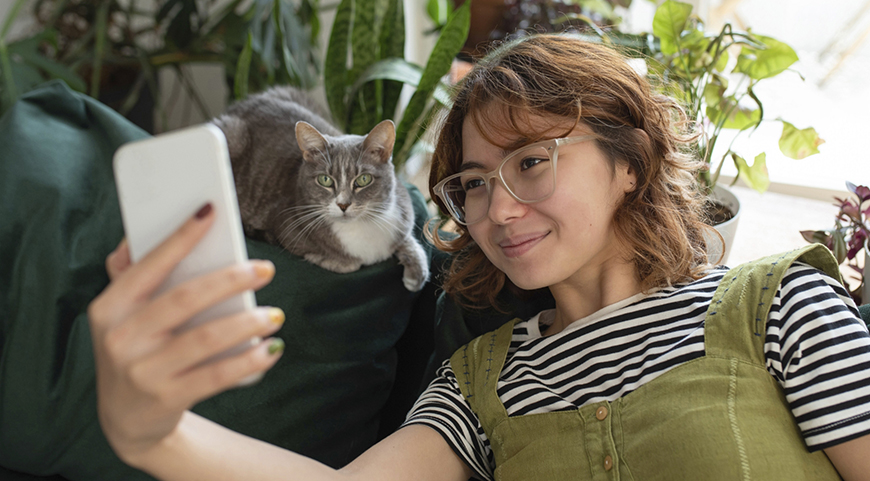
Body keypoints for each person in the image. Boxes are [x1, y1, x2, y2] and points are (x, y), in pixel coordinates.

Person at [88, 34, 870, 480]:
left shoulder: (779, 308)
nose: (496, 208)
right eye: (470, 184)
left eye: (531, 161)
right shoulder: (480, 379)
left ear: (629, 162)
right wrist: (152, 432)